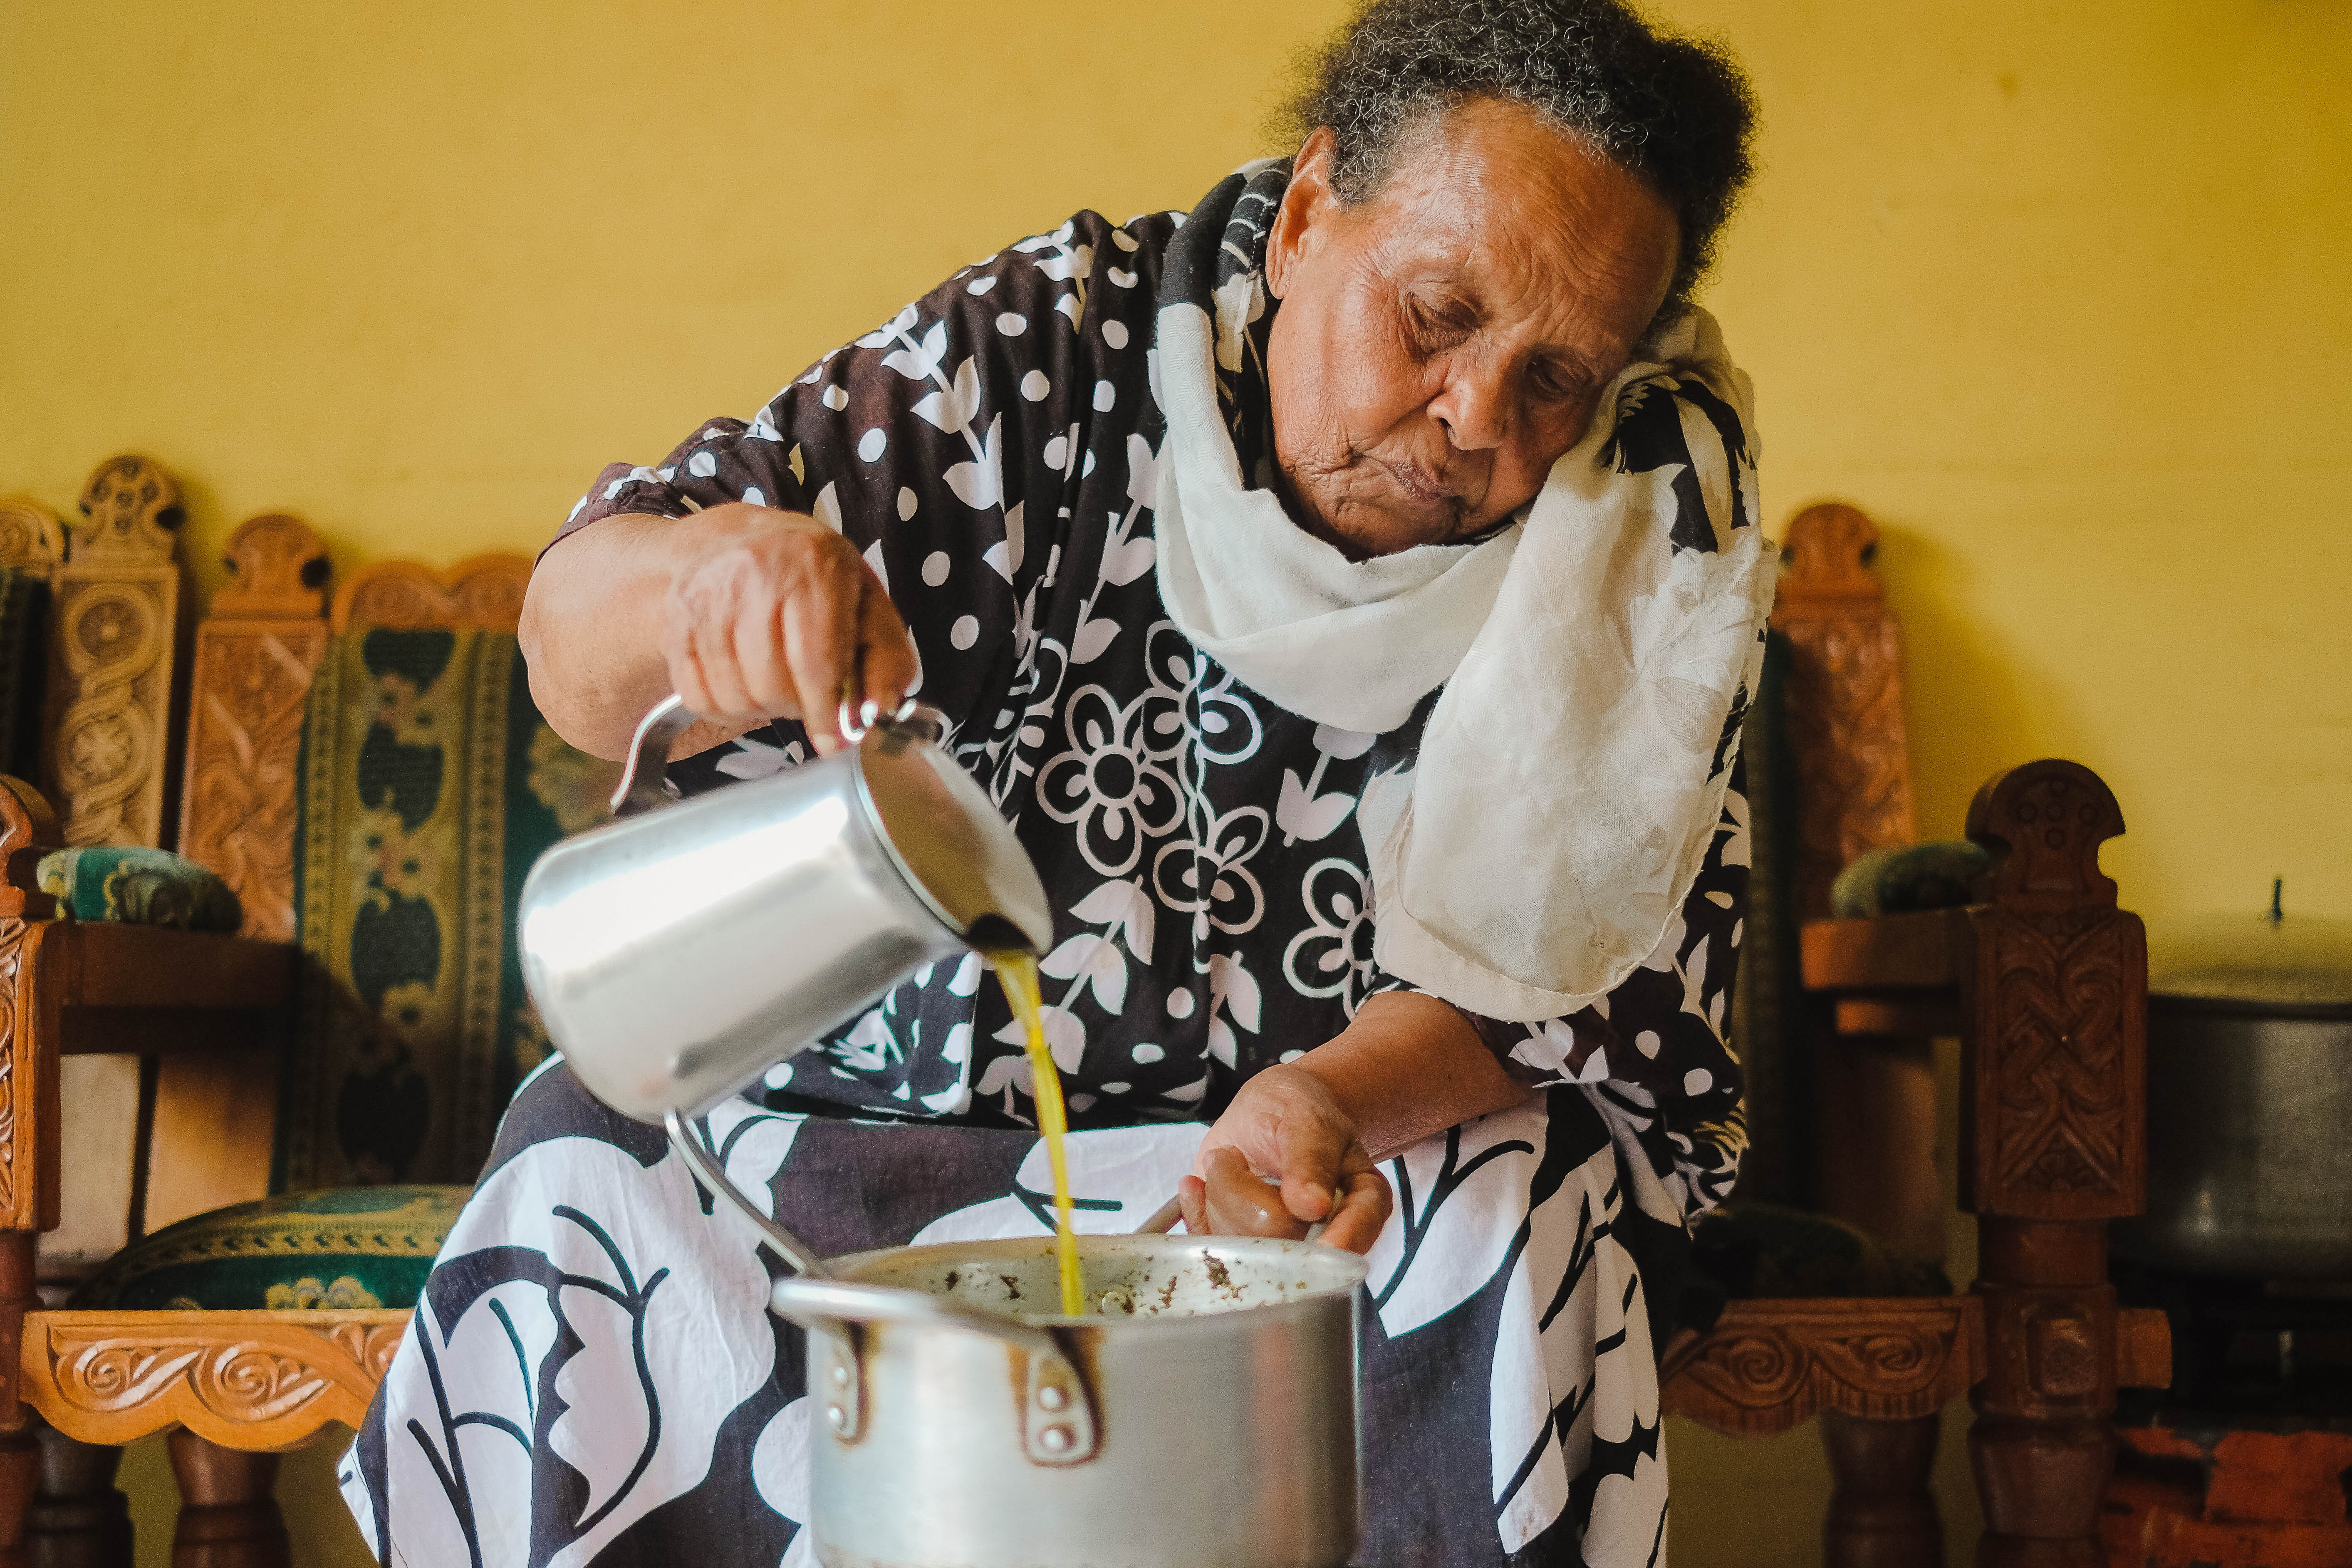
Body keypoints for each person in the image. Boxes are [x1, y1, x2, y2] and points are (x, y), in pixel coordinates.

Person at [344, 1, 1768, 1563]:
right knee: (588, 1167)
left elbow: (1582, 980)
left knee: (1504, 1205)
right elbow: (571, 638)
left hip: (1298, 1176)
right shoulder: (1058, 356)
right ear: (1305, 219)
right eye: (1436, 315)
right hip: (874, 1123)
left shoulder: (1647, 515)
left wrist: (1318, 1100)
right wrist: (704, 589)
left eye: (1556, 374)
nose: (1479, 419)